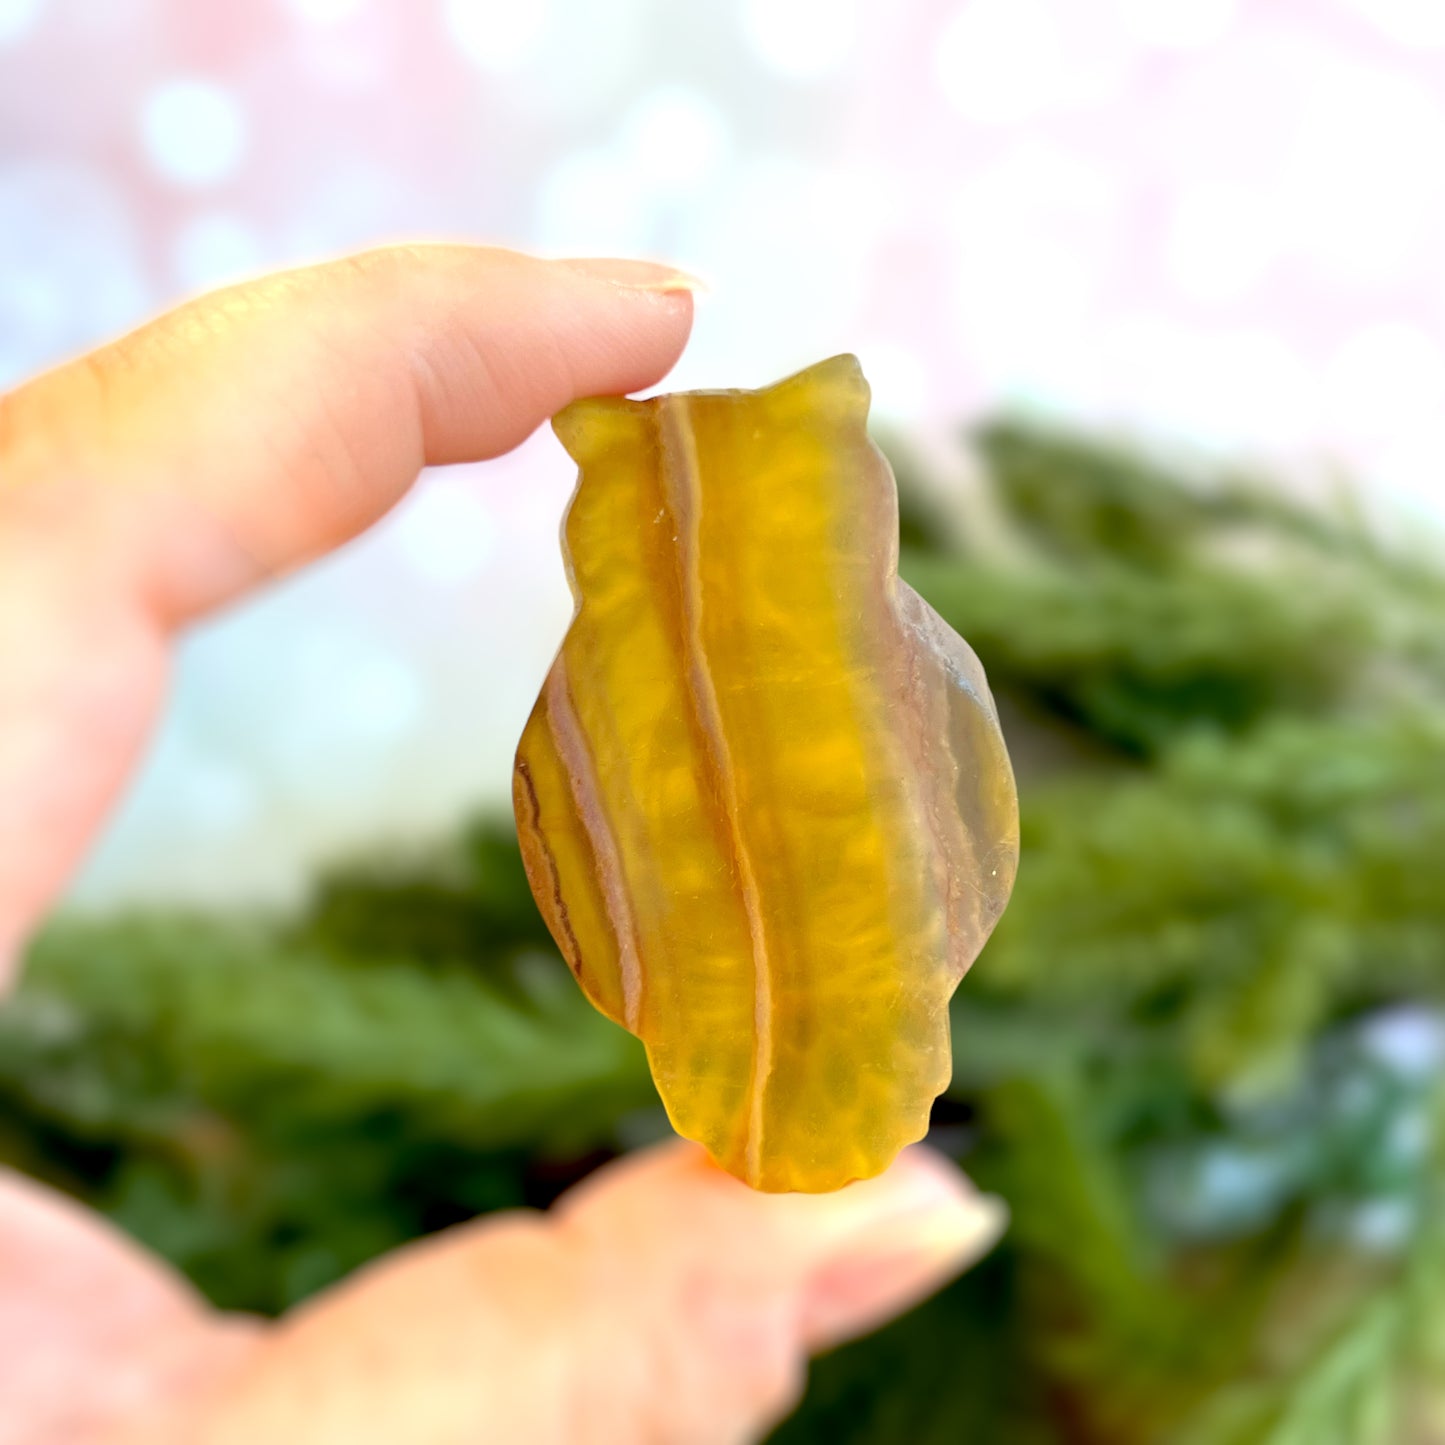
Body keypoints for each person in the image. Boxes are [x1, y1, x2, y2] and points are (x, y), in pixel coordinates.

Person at [0, 246, 1004, 1444]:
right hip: (735, 1040)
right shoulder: (637, 668)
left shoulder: (842, 651)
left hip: (825, 1037)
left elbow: (954, 782)